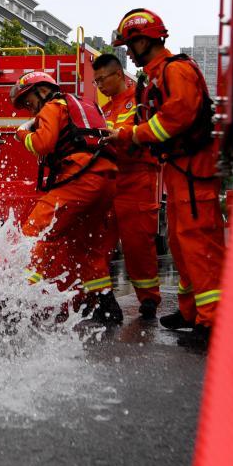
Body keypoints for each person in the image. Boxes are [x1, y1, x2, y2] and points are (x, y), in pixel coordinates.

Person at [111, 8, 224, 348]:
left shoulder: (176, 71)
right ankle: (192, 313)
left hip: (194, 172)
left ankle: (213, 322)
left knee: (199, 244)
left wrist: (135, 135)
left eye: (130, 45)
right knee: (180, 241)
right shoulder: (157, 76)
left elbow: (178, 116)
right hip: (179, 170)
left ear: (145, 40)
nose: (128, 52)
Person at [10, 71, 123, 324]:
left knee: (36, 234)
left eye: (29, 102)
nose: (30, 110)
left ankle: (16, 302)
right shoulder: (83, 105)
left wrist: (21, 134)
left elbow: (42, 144)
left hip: (80, 179)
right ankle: (108, 306)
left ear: (41, 91)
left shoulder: (52, 106)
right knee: (87, 247)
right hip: (106, 181)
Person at [92, 53, 163, 319]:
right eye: (95, 81)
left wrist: (120, 137)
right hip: (109, 183)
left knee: (138, 246)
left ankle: (148, 301)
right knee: (97, 245)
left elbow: (145, 133)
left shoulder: (139, 101)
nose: (98, 85)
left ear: (118, 75)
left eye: (102, 79)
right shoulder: (105, 110)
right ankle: (102, 300)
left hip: (137, 179)